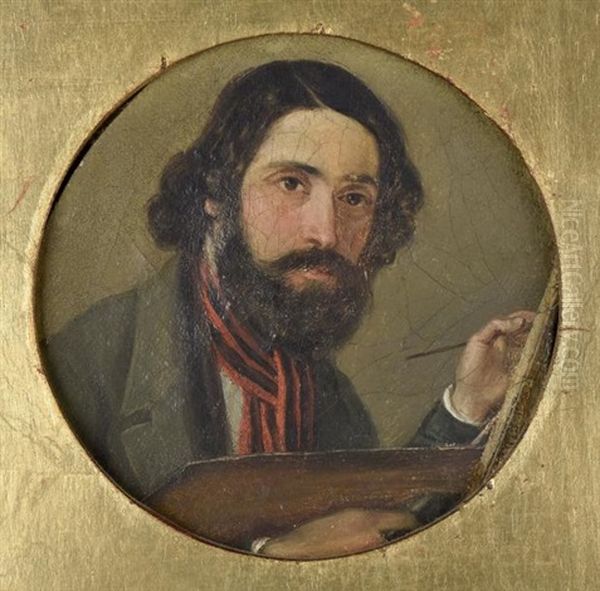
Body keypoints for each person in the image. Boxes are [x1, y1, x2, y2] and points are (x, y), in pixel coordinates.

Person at [43, 60, 534, 558]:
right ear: (215, 193)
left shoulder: (327, 393)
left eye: (354, 197)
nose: (326, 233)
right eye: (292, 184)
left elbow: (379, 527)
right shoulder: (87, 363)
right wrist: (269, 555)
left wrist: (467, 405)